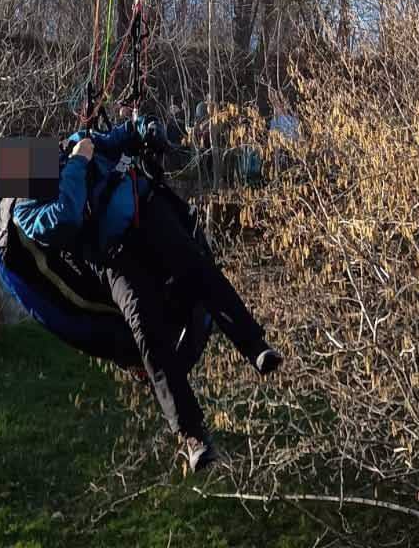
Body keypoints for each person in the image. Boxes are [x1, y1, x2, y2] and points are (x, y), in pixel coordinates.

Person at [14, 115, 283, 475]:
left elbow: (115, 139)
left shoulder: (71, 146)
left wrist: (140, 129)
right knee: (145, 326)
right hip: (110, 255)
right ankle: (191, 435)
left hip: (143, 212)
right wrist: (79, 161)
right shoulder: (25, 210)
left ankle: (254, 345)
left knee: (193, 265)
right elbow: (65, 218)